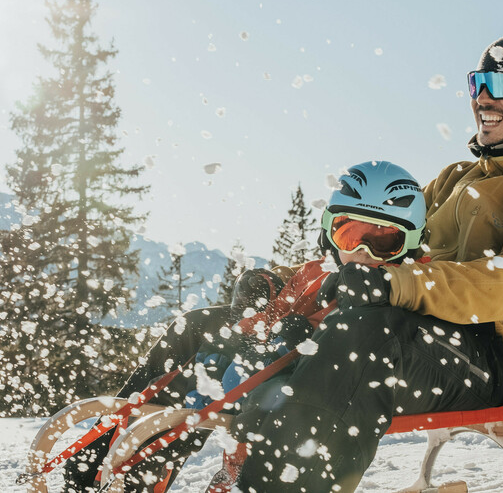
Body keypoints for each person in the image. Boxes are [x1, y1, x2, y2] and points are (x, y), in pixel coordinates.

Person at [235, 13, 503, 492]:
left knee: (364, 333)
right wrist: (286, 284)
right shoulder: (458, 177)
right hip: (419, 333)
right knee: (222, 327)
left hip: (489, 358)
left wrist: (396, 284)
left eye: (497, 82)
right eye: (476, 82)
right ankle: (121, 460)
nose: (481, 97)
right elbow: (387, 243)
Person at [62, 161, 428, 493]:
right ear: (330, 232)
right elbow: (274, 315)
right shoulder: (317, 270)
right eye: (350, 234)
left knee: (218, 380)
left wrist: (293, 336)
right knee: (194, 360)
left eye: (383, 241)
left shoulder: (400, 283)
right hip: (268, 359)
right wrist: (252, 319)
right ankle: (111, 450)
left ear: (408, 244)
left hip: (306, 381)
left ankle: (159, 468)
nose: (364, 251)